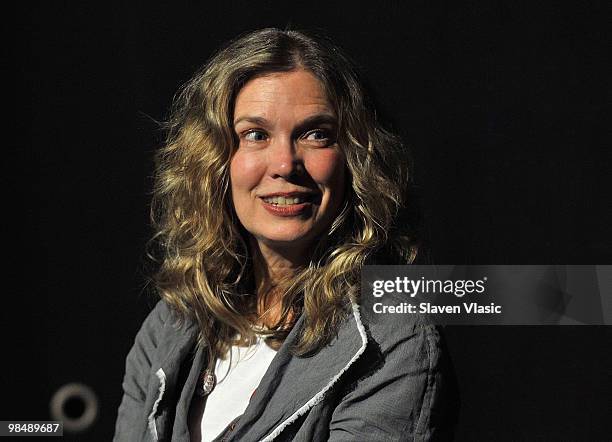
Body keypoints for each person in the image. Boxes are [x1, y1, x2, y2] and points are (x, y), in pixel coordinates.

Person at [114, 28, 457, 441]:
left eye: (316, 134)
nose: (284, 163)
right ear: (215, 162)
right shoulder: (171, 325)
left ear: (354, 160)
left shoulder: (393, 342)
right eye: (255, 135)